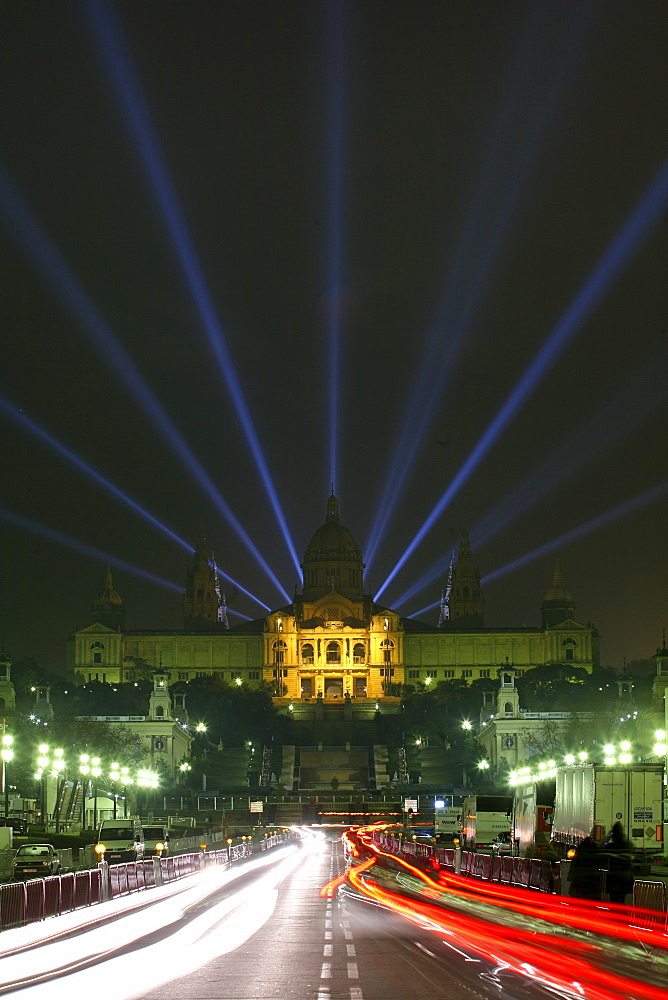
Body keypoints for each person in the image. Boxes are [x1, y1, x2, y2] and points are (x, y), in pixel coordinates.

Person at [603, 822, 634, 904]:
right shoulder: (627, 845)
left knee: (614, 901)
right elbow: (632, 848)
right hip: (625, 877)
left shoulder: (611, 846)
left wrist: (607, 837)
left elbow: (603, 846)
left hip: (614, 878)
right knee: (621, 900)